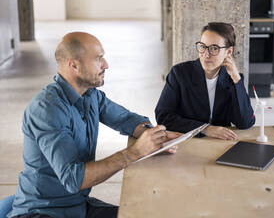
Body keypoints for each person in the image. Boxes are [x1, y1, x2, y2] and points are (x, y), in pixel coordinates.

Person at [7, 32, 180, 218]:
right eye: (98, 59)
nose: (106, 65)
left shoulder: (90, 95)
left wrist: (154, 136)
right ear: (74, 65)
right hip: (43, 212)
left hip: (78, 207)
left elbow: (125, 119)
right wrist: (136, 151)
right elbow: (74, 179)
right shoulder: (47, 109)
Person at [155, 22, 255, 140]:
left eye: (214, 48)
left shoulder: (232, 79)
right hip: (187, 141)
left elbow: (245, 122)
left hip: (219, 144)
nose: (206, 54)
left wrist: (236, 79)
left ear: (228, 52)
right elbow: (163, 117)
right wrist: (205, 129)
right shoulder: (179, 74)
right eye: (203, 46)